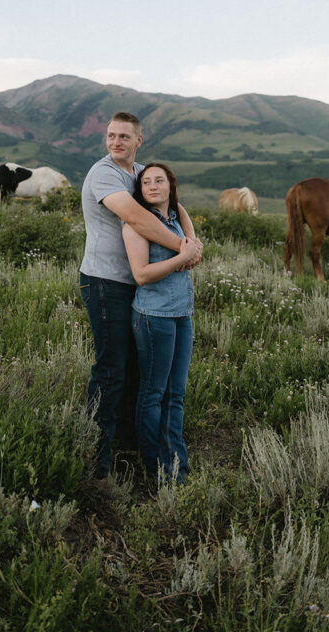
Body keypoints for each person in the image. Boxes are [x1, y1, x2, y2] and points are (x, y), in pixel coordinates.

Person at [79, 112, 201, 487]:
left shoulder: (142, 172)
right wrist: (184, 249)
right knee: (112, 368)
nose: (116, 142)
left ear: (138, 140)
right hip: (106, 283)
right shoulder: (104, 174)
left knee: (137, 371)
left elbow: (176, 205)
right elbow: (136, 218)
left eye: (124, 137)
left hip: (138, 287)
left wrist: (192, 239)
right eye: (111, 136)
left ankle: (133, 449)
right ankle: (97, 462)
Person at [122, 162, 196, 484]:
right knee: (153, 393)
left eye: (159, 181)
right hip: (154, 318)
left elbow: (191, 243)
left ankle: (177, 467)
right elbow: (141, 274)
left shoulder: (175, 219)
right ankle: (154, 468)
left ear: (169, 186)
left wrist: (191, 248)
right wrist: (182, 256)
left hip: (182, 315)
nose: (153, 186)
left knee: (175, 395)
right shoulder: (136, 224)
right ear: (140, 190)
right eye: (146, 181)